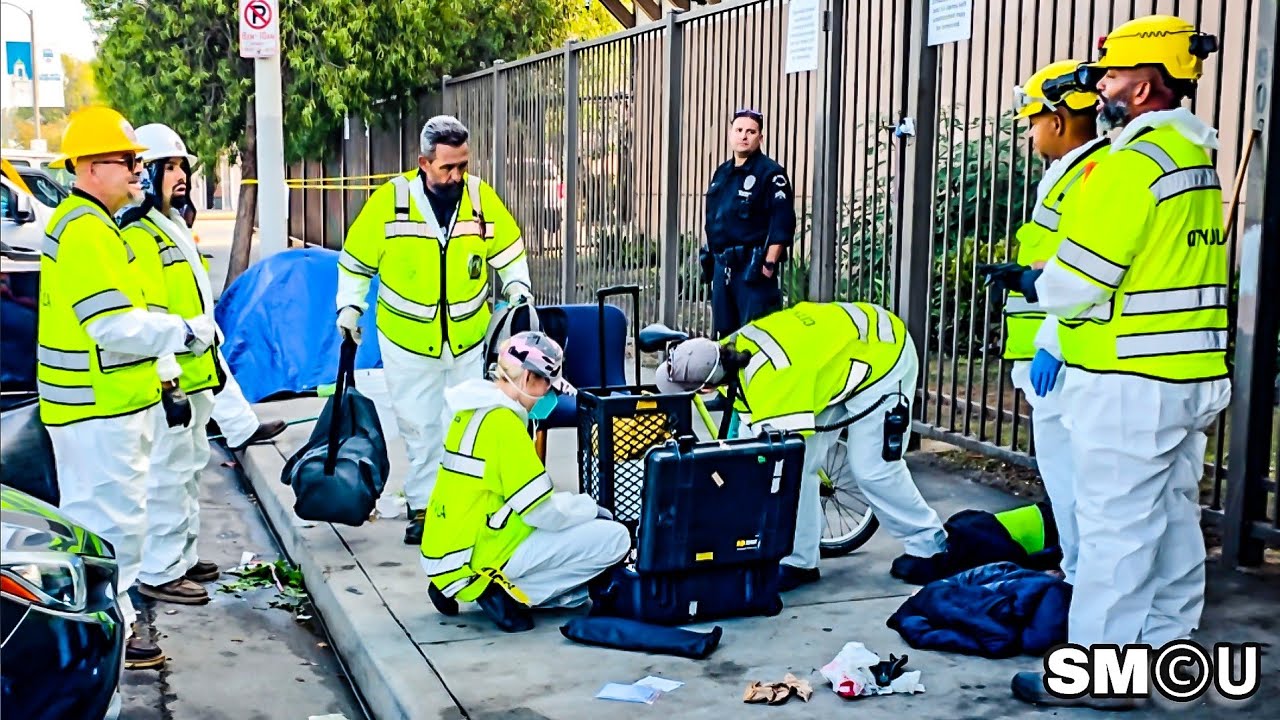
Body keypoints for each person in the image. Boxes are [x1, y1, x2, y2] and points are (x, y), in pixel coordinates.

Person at [982, 16, 1230, 708]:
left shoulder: (1133, 163)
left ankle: (1100, 675)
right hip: (1187, 377)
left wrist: (1037, 283)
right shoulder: (1194, 159)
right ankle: (1162, 644)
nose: (1103, 91)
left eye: (1112, 76)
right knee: (1173, 516)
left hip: (1128, 381)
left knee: (1114, 529)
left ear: (1146, 85)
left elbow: (1080, 282)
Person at [38, 106, 216, 670]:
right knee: (107, 528)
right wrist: (184, 334)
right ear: (90, 167)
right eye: (127, 162)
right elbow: (113, 325)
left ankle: (112, 629)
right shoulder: (87, 230)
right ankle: (110, 637)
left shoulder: (97, 226)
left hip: (104, 406)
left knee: (110, 523)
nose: (138, 171)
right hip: (97, 410)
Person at [336, 115, 534, 546]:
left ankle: (465, 504)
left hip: (467, 339)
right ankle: (425, 508)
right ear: (424, 163)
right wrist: (350, 308)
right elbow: (355, 261)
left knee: (467, 423)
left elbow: (509, 249)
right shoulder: (391, 201)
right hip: (407, 340)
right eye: (447, 167)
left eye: (463, 165)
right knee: (420, 427)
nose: (457, 176)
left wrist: (518, 287)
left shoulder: (480, 198)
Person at [655, 302, 947, 592]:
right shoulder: (725, 351)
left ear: (705, 387)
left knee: (873, 467)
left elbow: (776, 458)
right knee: (802, 465)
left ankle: (930, 544)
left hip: (884, 355)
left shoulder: (772, 379)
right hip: (833, 359)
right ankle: (799, 560)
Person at [420, 331, 630, 632]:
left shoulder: (468, 412)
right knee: (614, 537)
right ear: (530, 379)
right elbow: (541, 512)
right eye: (547, 386)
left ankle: (451, 584)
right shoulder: (504, 425)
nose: (550, 396)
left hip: (448, 548)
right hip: (482, 552)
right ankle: (508, 593)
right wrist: (588, 509)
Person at [998, 60, 1109, 585]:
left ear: (1060, 119)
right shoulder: (1068, 174)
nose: (1032, 131)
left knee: (1074, 480)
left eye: (1034, 121)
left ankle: (1080, 580)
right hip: (1053, 352)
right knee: (1067, 478)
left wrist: (1054, 343)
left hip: (1065, 353)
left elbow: (1085, 275)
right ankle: (1076, 571)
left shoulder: (1091, 176)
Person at [118, 123, 223, 606]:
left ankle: (182, 557)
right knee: (166, 474)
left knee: (190, 468)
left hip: (195, 368)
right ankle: (160, 571)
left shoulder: (173, 226)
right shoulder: (140, 234)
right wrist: (167, 380)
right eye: (170, 167)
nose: (180, 176)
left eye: (183, 166)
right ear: (148, 174)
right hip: (173, 373)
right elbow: (150, 314)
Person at [700, 108, 796, 341]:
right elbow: (714, 219)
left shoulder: (771, 173)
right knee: (725, 339)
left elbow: (782, 222)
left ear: (760, 137)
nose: (744, 136)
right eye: (739, 130)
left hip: (752, 271)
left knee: (755, 338)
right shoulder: (722, 173)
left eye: (751, 131)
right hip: (723, 268)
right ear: (730, 133)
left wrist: (769, 264)